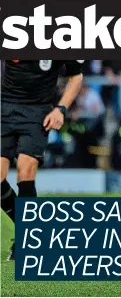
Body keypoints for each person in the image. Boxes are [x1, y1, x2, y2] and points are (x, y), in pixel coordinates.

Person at [1, 60, 84, 261]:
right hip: (4, 107)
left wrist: (61, 109)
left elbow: (76, 76)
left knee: (25, 170)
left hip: (37, 111)